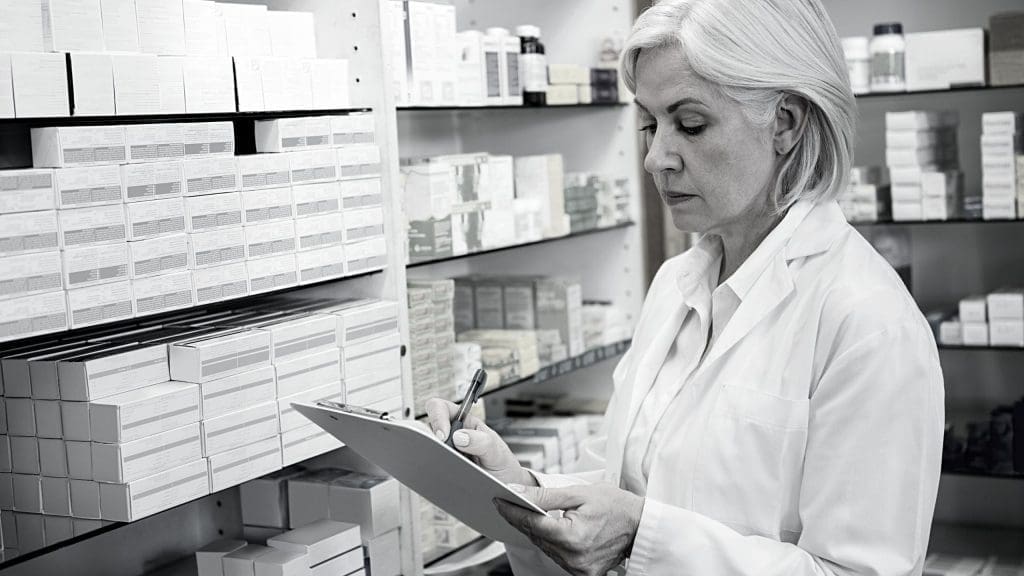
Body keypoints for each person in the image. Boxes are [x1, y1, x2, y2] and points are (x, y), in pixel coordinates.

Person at [426, 0, 945, 574]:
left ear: (786, 123)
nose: (654, 158)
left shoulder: (867, 323)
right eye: (650, 124)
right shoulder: (676, 284)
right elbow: (617, 485)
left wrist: (640, 538)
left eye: (690, 124)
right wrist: (521, 488)